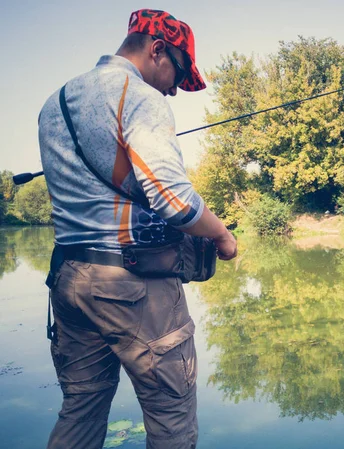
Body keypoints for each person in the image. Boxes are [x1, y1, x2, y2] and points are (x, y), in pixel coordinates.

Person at [38, 9, 236, 449]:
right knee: (172, 418)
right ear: (157, 49)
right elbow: (174, 201)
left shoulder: (55, 102)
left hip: (68, 279)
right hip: (132, 284)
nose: (174, 91)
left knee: (81, 409)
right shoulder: (141, 96)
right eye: (178, 75)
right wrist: (221, 234)